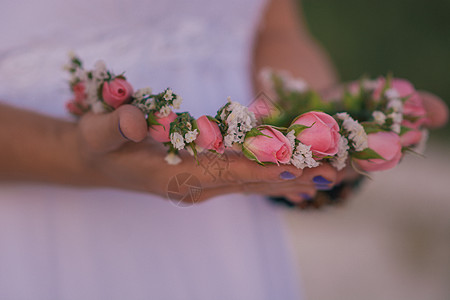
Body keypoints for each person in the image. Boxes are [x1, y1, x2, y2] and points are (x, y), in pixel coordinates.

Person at [0, 0, 447, 298]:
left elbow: (273, 25)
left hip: (229, 226)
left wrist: (307, 117)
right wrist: (74, 153)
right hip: (45, 223)